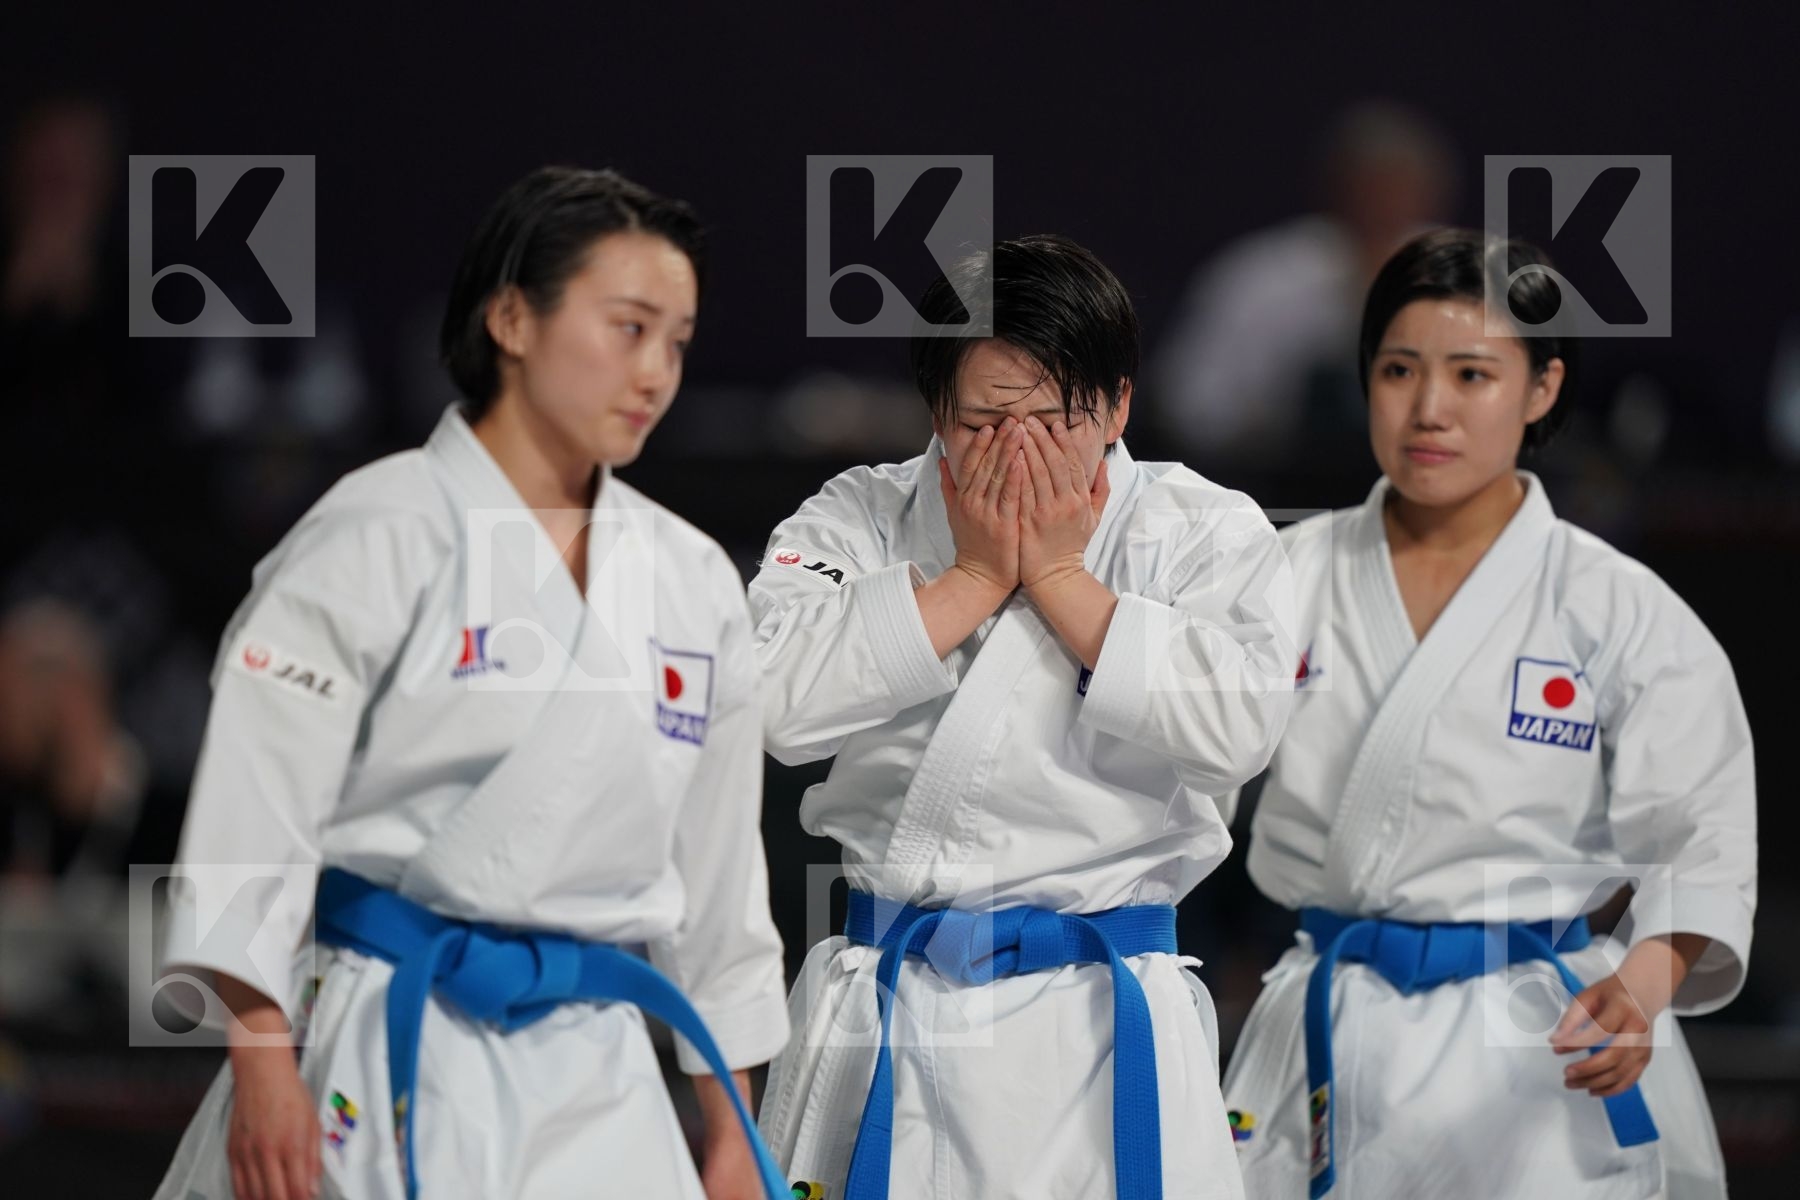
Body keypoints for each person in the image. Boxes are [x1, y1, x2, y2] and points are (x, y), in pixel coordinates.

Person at [152, 166, 791, 1200]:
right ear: (512, 318)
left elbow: (718, 886)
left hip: (601, 1072)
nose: (656, 373)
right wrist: (263, 1068)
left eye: (677, 340)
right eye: (628, 328)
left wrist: (731, 1130)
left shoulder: (691, 577)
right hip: (380, 1030)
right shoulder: (378, 529)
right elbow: (253, 812)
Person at [751, 234, 1295, 1199]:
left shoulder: (1203, 529)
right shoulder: (860, 515)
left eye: (1054, 420)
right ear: (935, 414)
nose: (1020, 453)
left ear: (1120, 405)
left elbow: (1241, 729)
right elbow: (776, 706)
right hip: (893, 1001)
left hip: (1103, 1016)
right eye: (985, 422)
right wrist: (970, 579)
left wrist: (1057, 581)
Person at [1221, 228, 1757, 1199]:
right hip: (1335, 1019)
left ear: (1542, 389)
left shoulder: (1617, 608)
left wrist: (1645, 984)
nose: (1429, 409)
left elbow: (1702, 839)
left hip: (1543, 1037)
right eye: (1398, 370)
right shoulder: (1278, 577)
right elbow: (1170, 769)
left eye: (1472, 375)